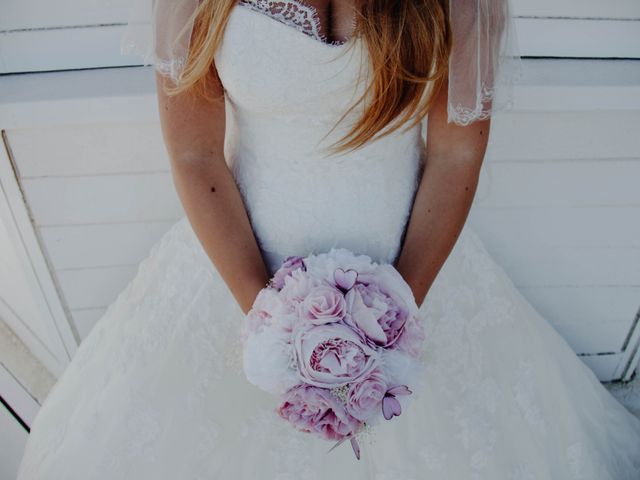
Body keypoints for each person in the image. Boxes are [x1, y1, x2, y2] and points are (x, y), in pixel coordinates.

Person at [17, 0, 640, 478]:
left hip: (412, 276)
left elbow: (455, 157)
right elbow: (193, 150)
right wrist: (268, 323)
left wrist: (388, 325)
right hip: (232, 270)